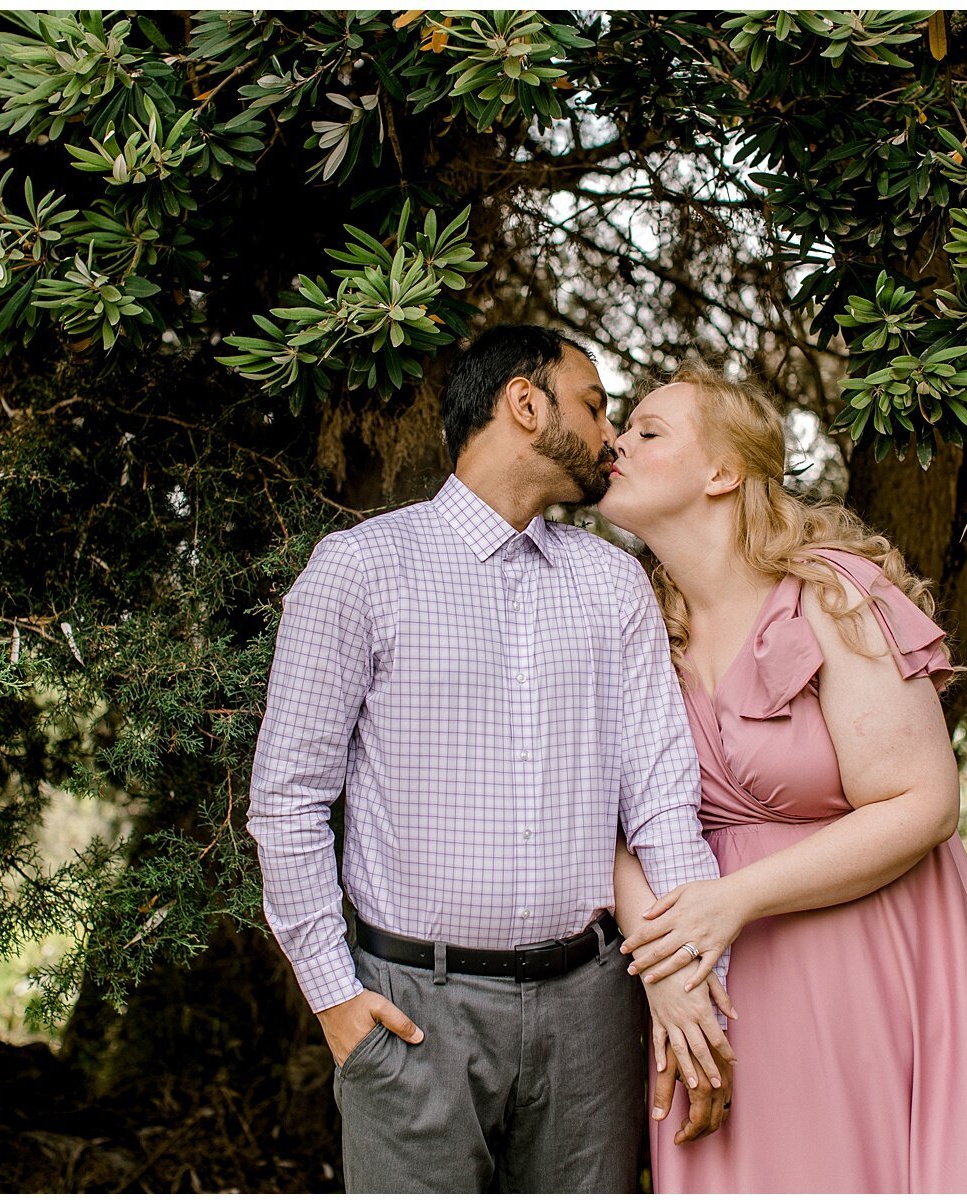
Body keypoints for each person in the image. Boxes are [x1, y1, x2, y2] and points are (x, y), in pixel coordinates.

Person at [599, 359, 967, 1192]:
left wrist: (735, 899)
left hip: (870, 957)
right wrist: (664, 966)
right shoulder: (633, 626)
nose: (614, 443)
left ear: (725, 471)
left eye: (647, 432)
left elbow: (925, 802)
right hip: (716, 983)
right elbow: (606, 826)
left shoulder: (829, 594)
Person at [247, 326, 734, 1193]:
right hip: (411, 1014)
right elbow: (288, 800)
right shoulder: (360, 570)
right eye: (593, 405)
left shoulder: (612, 580)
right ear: (524, 403)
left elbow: (662, 804)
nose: (610, 434)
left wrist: (692, 984)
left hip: (593, 1009)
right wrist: (332, 998)